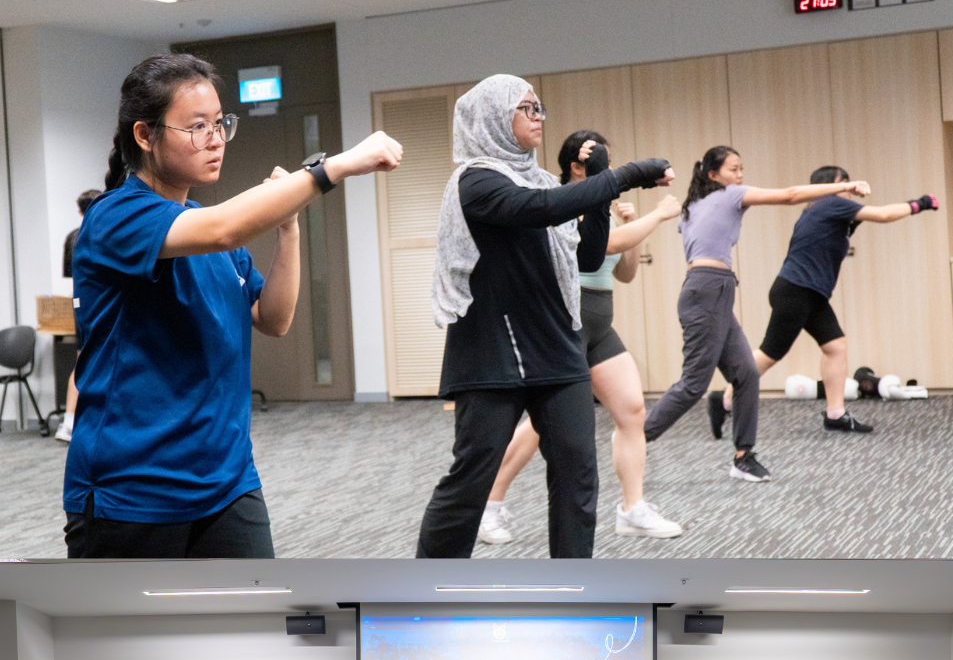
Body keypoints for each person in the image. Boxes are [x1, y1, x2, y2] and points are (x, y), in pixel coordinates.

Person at [65, 53, 400, 557]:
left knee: (255, 630)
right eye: (196, 127)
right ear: (144, 135)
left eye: (220, 123)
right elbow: (226, 227)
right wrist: (332, 168)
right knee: (138, 639)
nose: (216, 138)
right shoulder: (117, 218)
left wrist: (288, 225)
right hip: (132, 493)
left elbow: (274, 318)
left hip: (228, 482)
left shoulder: (208, 231)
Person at [416, 75, 672, 558]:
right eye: (526, 108)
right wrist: (621, 175)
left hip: (556, 347)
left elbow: (590, 255)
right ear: (494, 117)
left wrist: (598, 186)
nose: (538, 117)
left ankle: (572, 587)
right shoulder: (476, 179)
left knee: (578, 475)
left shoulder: (536, 179)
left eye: (540, 108)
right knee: (471, 480)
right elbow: (539, 209)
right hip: (492, 354)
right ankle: (426, 588)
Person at [478, 129, 686, 543]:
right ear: (578, 165)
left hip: (599, 324)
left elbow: (623, 271)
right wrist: (657, 216)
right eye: (601, 162)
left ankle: (631, 509)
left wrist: (630, 225)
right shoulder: (560, 204)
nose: (608, 169)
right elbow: (602, 246)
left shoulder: (599, 205)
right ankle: (489, 506)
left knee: (631, 411)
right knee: (543, 424)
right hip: (563, 323)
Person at [642, 144, 870, 483]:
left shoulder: (693, 205)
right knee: (694, 383)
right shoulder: (730, 196)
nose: (740, 175)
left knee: (747, 373)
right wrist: (843, 187)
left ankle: (743, 457)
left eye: (741, 169)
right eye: (733, 169)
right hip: (707, 289)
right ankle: (637, 437)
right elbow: (791, 195)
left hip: (714, 290)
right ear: (713, 174)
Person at [749, 165, 940, 432]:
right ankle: (725, 399)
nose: (850, 188)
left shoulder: (819, 211)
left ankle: (835, 415)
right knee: (770, 353)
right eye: (845, 183)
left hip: (809, 293)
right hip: (797, 291)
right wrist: (921, 204)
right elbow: (883, 215)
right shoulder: (830, 204)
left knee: (835, 347)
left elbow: (846, 228)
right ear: (829, 187)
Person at [53, 187, 102, 444]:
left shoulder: (73, 235)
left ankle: (72, 422)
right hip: (96, 304)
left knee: (84, 359)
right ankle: (70, 422)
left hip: (80, 303)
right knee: (86, 361)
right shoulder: (96, 233)